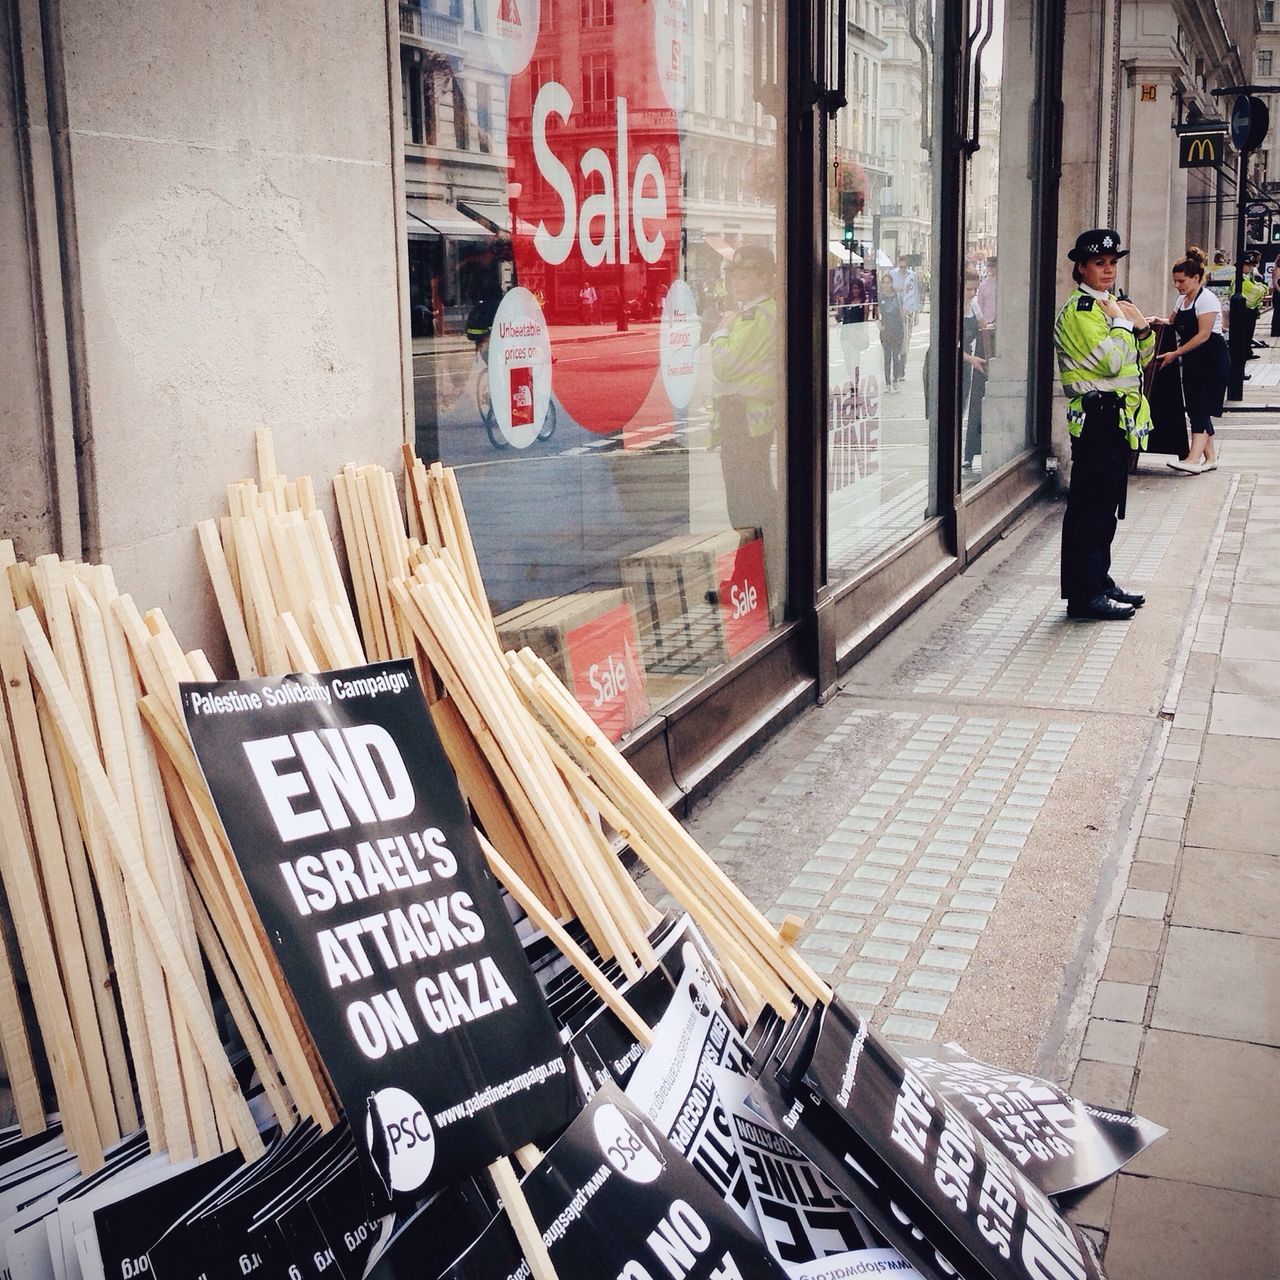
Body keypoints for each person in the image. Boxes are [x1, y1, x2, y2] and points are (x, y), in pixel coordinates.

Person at [1054, 228, 1154, 621]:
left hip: (1117, 420)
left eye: (1112, 263)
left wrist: (1139, 325)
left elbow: (1143, 355)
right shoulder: (1082, 312)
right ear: (1081, 267)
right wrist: (1123, 325)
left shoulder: (1112, 306)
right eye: (1099, 263)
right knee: (1089, 509)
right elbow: (1113, 362)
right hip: (1097, 419)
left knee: (1106, 508)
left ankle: (1100, 581)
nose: (1108, 270)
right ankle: (1083, 596)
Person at [709, 244, 783, 613]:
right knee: (755, 501)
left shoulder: (755, 317)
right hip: (749, 420)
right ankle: (751, 576)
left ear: (766, 277)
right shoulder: (759, 313)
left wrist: (720, 332)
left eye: (749, 274)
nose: (740, 280)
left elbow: (724, 367)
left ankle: (754, 579)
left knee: (746, 506)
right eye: (736, 274)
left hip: (744, 421)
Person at [1152, 246, 1228, 474]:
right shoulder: (1182, 300)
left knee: (1200, 407)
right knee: (1195, 406)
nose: (1177, 286)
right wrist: (1157, 319)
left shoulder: (1207, 300)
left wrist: (1176, 353)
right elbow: (1172, 322)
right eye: (1175, 281)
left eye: (1182, 281)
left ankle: (1193, 459)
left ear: (1196, 278)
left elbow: (1203, 335)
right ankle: (1210, 458)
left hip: (1212, 358)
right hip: (1194, 358)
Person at [877, 270, 906, 390]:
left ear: (891, 283)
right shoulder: (879, 297)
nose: (886, 285)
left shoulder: (897, 296)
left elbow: (901, 312)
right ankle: (888, 382)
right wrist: (879, 325)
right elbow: (876, 314)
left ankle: (896, 380)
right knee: (887, 357)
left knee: (896, 356)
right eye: (884, 282)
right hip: (886, 330)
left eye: (888, 282)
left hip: (897, 329)